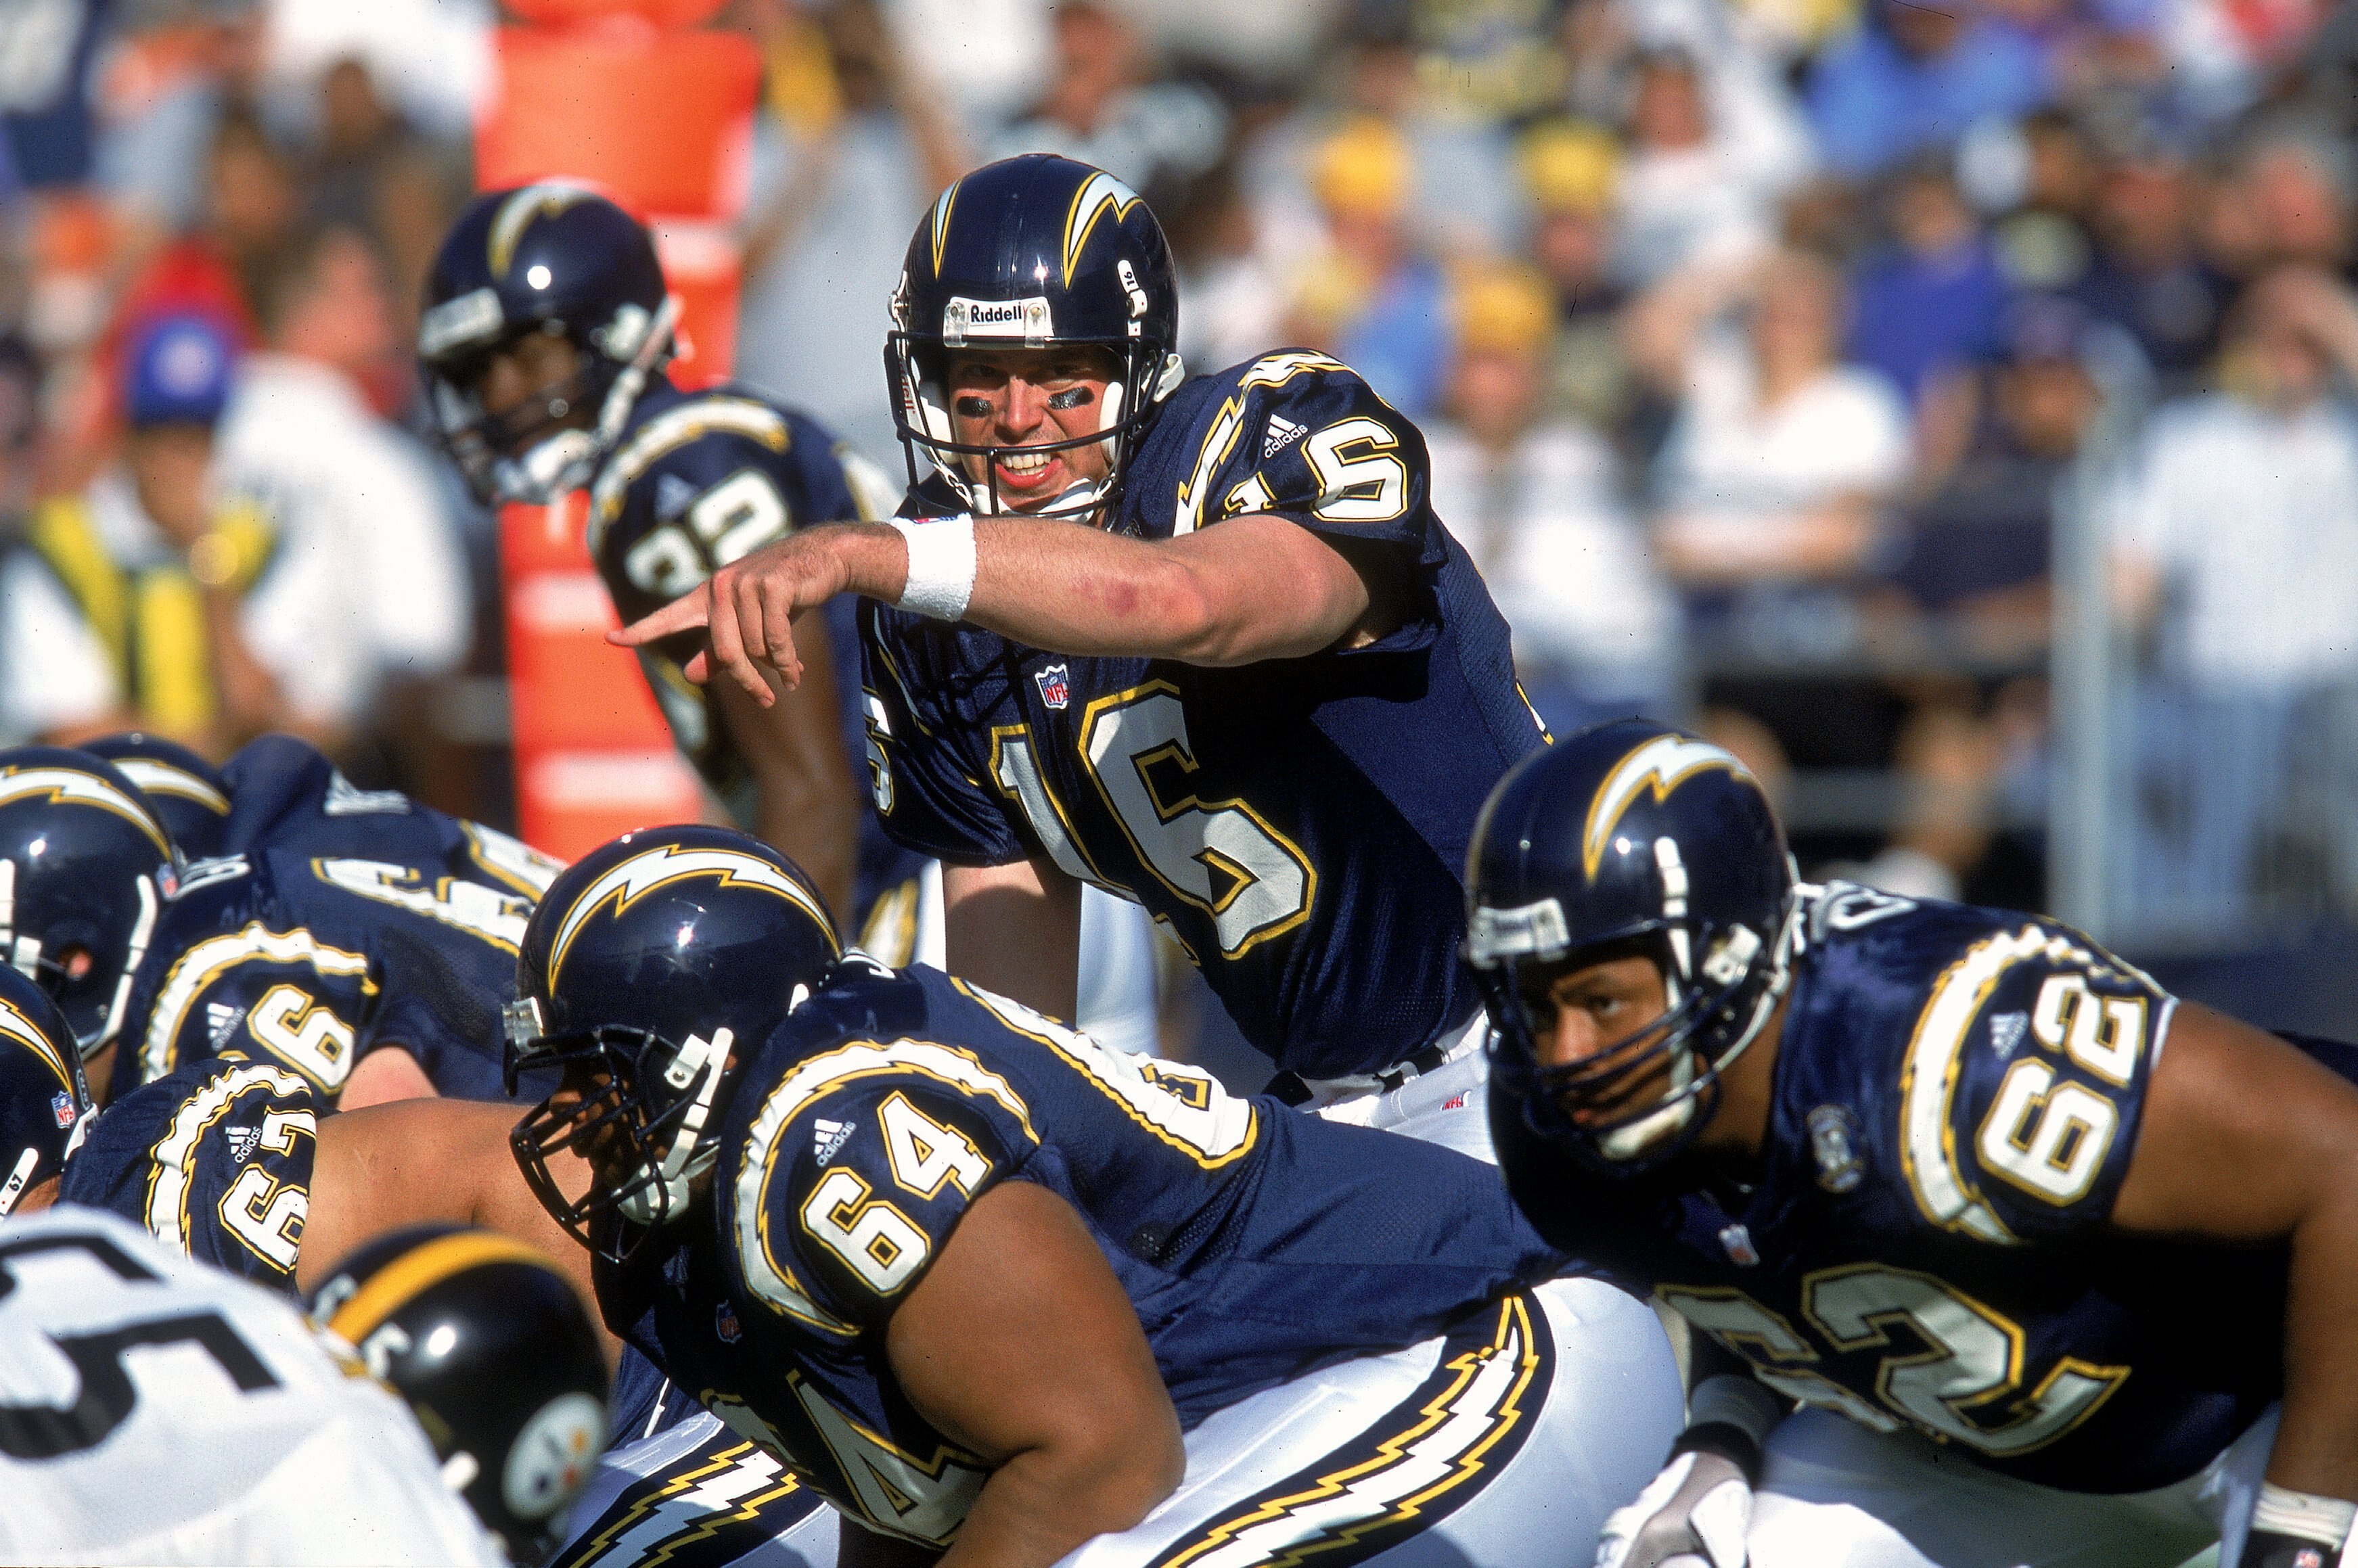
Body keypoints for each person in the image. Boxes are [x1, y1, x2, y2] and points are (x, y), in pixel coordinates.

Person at [617, 154, 1550, 1155]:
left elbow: (1186, 602)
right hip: (1324, 1107)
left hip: (1532, 1033)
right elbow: (1010, 1006)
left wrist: (864, 553)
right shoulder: (938, 610)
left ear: (1135, 366)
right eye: (979, 377)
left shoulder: (1253, 435)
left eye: (1061, 374)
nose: (1018, 418)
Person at [504, 824, 1681, 1567]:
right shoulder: (698, 1224)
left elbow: (1101, 1458)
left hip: (1481, 1338)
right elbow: (911, 1495)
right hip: (1278, 1404)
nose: (572, 1114)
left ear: (709, 1044)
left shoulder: (834, 1131)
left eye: (598, 1073)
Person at [1466, 718, 2358, 1568]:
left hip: (2293, 1395)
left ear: (1726, 961)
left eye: (1602, 1000)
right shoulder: (1562, 1126)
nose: (1564, 1052)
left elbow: (2342, 1163)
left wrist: (2301, 1524)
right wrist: (1723, 1426)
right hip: (1991, 1447)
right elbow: (1731, 1252)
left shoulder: (1946, 1057)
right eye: (1534, 1004)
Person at [415, 182, 924, 963]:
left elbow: (815, 795)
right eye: (479, 370)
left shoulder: (673, 480)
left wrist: (773, 991)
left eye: (529, 355)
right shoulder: (699, 439)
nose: (501, 393)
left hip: (919, 886)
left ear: (613, 336)